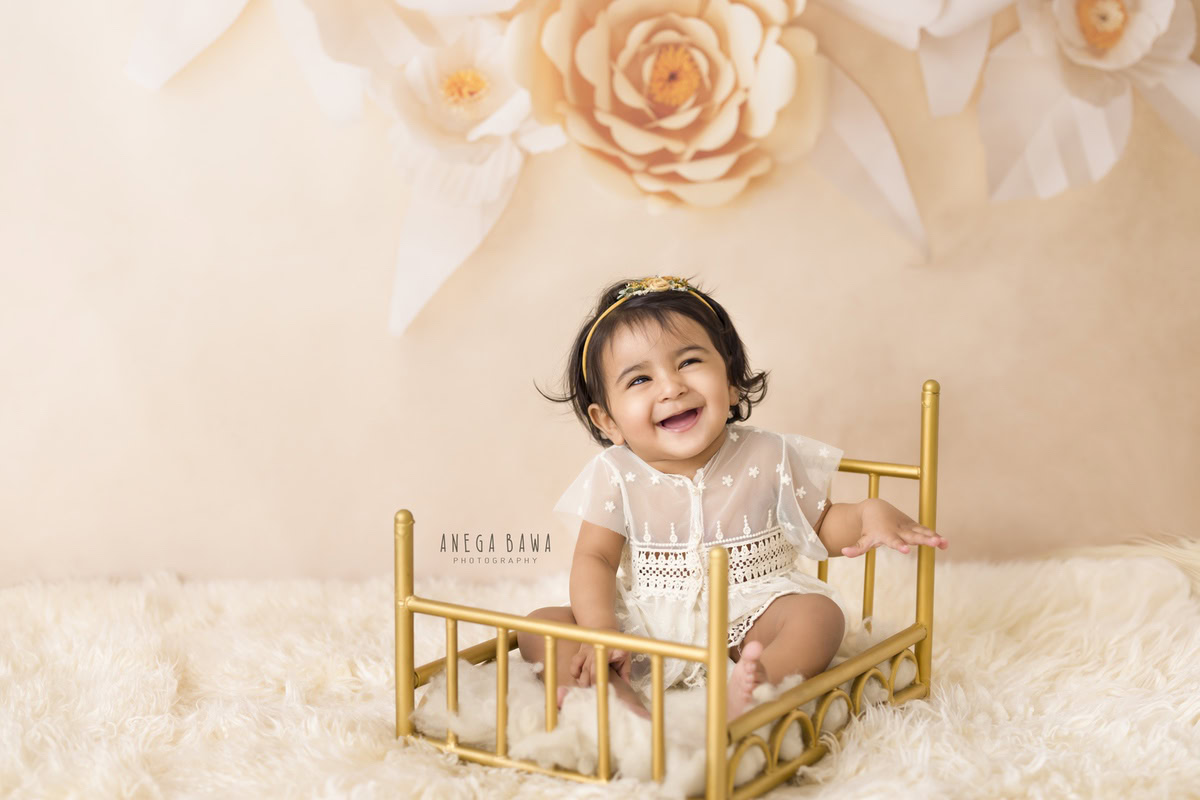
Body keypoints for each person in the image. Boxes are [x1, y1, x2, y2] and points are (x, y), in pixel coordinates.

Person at [520, 275, 948, 721]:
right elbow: (596, 559)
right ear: (607, 421)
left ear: (731, 383)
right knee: (542, 626)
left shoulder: (766, 453)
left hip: (751, 616)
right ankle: (619, 707)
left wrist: (866, 515)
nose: (670, 387)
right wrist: (601, 631)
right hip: (645, 627)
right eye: (641, 378)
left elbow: (819, 525)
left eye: (688, 362)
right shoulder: (616, 474)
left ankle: (754, 687)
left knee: (819, 616)